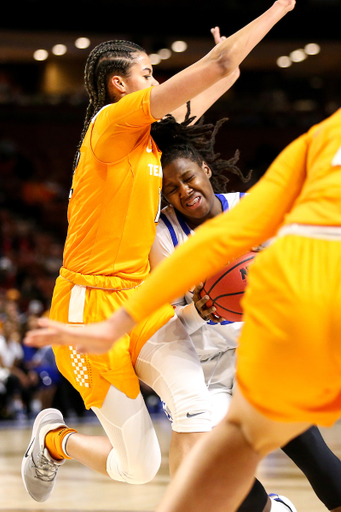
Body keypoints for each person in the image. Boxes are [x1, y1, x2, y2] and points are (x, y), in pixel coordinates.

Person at [21, 0, 297, 504]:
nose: (158, 79)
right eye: (149, 73)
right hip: (88, 306)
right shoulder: (110, 124)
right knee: (139, 470)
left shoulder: (150, 141)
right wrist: (279, 7)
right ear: (119, 85)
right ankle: (54, 440)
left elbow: (221, 74)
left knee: (195, 407)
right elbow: (214, 68)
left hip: (138, 302)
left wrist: (226, 57)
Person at [26, 108, 341, 511]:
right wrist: (195, 310)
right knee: (206, 466)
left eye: (188, 178)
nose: (183, 191)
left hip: (258, 357)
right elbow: (162, 313)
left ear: (207, 171)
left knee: (317, 458)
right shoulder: (161, 235)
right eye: (171, 188)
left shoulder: (253, 210)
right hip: (204, 369)